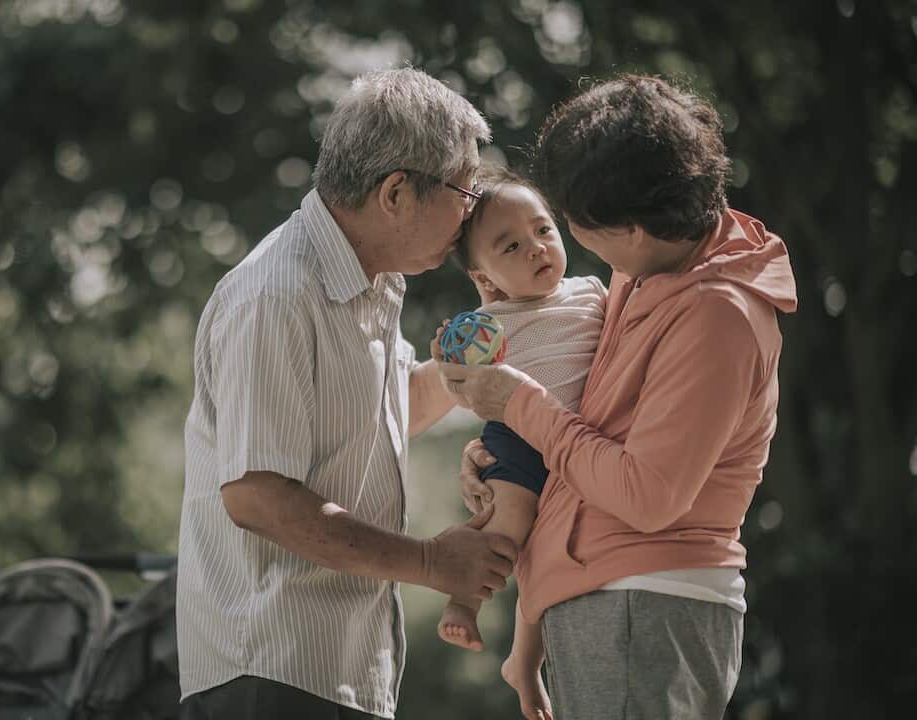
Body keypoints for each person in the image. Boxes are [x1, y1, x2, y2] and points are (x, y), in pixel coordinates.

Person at [439, 75, 798, 720]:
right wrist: (503, 444)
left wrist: (519, 404)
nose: (566, 244)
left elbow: (647, 495)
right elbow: (587, 423)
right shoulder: (655, 267)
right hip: (611, 593)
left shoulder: (717, 315)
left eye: (571, 224)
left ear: (632, 229)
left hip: (646, 597)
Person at [177, 67, 518, 720]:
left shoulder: (369, 282)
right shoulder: (275, 296)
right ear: (396, 193)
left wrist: (500, 326)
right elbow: (256, 496)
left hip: (341, 677)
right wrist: (430, 562)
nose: (473, 207)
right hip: (269, 678)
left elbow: (397, 412)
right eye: (466, 189)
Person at [430, 167, 604, 720]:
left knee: (548, 540)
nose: (536, 249)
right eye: (512, 245)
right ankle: (468, 596)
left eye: (543, 230)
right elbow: (466, 392)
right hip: (521, 435)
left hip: (578, 431)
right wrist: (448, 359)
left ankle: (524, 662)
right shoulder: (489, 323)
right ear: (485, 276)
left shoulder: (594, 293)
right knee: (513, 521)